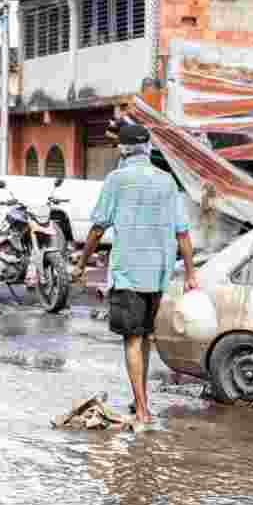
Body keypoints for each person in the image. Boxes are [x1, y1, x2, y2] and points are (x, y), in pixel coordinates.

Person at [71, 123, 198, 425]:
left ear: (123, 150)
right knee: (146, 336)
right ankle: (140, 399)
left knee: (132, 339)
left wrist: (81, 263)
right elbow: (182, 232)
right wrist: (191, 273)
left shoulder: (117, 180)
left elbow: (99, 226)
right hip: (159, 273)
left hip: (128, 271)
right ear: (148, 148)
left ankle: (142, 410)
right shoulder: (167, 181)